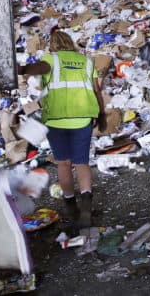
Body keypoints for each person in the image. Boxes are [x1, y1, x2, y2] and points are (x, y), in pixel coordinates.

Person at [39, 30, 107, 228]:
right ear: (70, 42)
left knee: (63, 163)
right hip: (83, 117)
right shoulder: (86, 61)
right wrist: (101, 115)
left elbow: (43, 91)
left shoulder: (48, 61)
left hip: (56, 120)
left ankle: (71, 208)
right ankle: (86, 209)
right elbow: (96, 90)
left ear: (52, 44)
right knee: (82, 163)